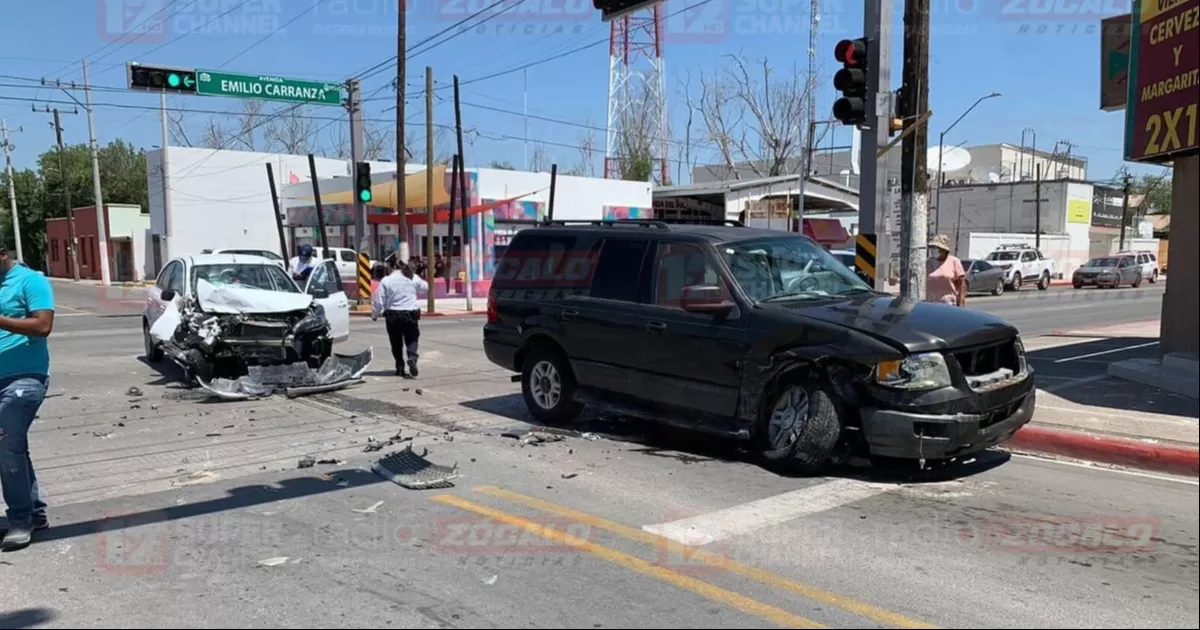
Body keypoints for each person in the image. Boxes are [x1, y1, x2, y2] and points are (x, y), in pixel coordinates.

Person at [0, 245, 55, 551]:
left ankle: (20, 520)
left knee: (7, 446)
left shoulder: (30, 281)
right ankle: (33, 511)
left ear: (2, 252)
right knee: (13, 446)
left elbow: (43, 325)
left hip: (25, 380)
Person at [372, 255, 428, 378]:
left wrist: (375, 314)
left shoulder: (386, 280)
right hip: (410, 314)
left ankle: (400, 366)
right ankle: (412, 358)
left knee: (396, 343)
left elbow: (379, 300)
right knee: (412, 339)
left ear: (391, 267)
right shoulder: (412, 278)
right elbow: (425, 288)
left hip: (392, 315)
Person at [926, 233, 966, 306]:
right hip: (930, 303)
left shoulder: (954, 261)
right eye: (932, 247)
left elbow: (961, 284)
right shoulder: (928, 263)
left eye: (936, 248)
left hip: (948, 303)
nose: (934, 250)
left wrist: (961, 302)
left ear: (944, 250)